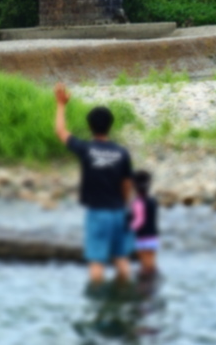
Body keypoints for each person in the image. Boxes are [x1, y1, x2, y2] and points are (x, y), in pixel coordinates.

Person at [54, 83, 133, 283]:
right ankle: (126, 300)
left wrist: (61, 105)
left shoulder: (86, 149)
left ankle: (98, 308)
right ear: (110, 125)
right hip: (118, 212)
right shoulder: (121, 153)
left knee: (97, 263)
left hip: (97, 213)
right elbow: (126, 185)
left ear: (90, 126)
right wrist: (123, 206)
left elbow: (61, 131)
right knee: (121, 260)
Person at [129, 170, 159, 276]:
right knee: (152, 263)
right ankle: (154, 284)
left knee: (144, 265)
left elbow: (139, 220)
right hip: (154, 237)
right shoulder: (153, 201)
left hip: (142, 238)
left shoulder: (137, 202)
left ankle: (145, 287)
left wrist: (129, 228)